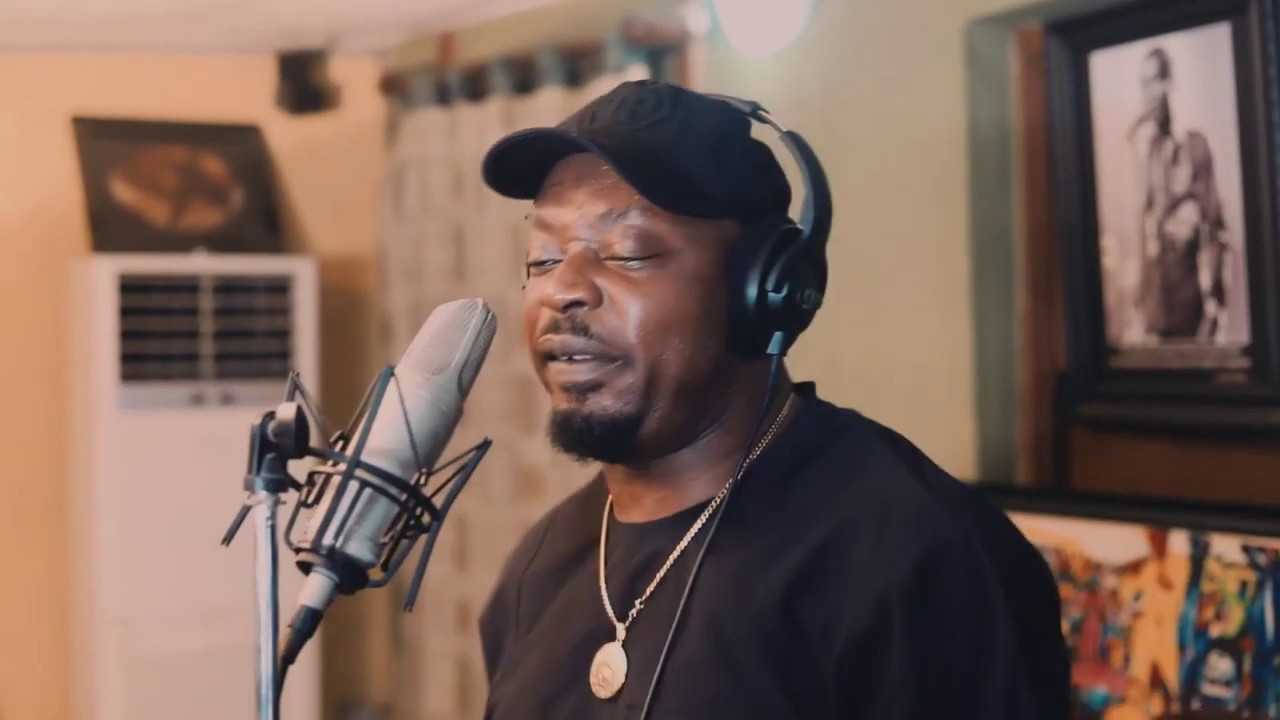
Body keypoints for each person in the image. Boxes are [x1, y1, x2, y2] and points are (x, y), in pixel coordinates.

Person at [475, 79, 1069, 719]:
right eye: (542, 259)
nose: (561, 288)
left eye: (629, 252)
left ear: (765, 287)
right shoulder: (539, 567)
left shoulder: (920, 559)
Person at [1127, 47, 1233, 344]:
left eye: (1154, 81)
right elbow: (1145, 224)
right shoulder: (1149, 148)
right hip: (1156, 303)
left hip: (1190, 302)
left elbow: (1215, 227)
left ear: (1169, 84)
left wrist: (1215, 305)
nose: (1148, 93)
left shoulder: (1194, 144)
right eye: (1143, 84)